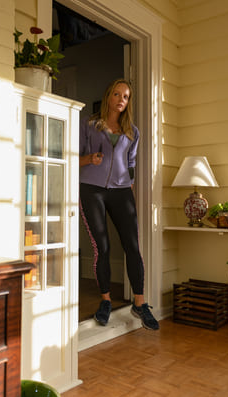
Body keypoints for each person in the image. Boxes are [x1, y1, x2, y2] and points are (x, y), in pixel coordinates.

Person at [79, 78, 159, 330]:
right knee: (101, 247)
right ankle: (105, 301)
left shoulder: (132, 132)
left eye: (125, 96)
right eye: (117, 94)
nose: (121, 100)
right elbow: (73, 157)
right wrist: (89, 159)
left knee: (132, 247)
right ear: (108, 97)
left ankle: (140, 303)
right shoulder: (90, 125)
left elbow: (132, 164)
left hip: (122, 191)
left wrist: (129, 187)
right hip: (92, 189)